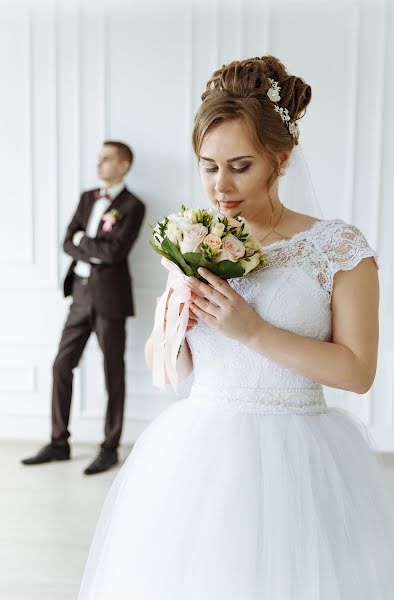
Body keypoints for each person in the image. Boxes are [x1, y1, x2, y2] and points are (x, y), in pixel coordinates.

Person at [78, 57, 394, 598]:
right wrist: (174, 323)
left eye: (240, 166)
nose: (219, 185)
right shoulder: (193, 241)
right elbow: (170, 369)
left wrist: (251, 331)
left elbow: (358, 371)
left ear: (281, 157)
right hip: (199, 456)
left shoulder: (338, 247)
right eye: (207, 166)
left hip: (302, 458)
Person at [22, 141, 146, 475]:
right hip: (79, 293)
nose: (99, 164)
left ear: (124, 165)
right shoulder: (88, 197)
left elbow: (114, 253)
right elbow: (66, 240)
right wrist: (85, 245)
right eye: (99, 158)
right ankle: (59, 442)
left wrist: (82, 243)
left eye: (106, 159)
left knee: (112, 373)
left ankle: (110, 447)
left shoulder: (134, 205)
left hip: (110, 298)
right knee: (62, 365)